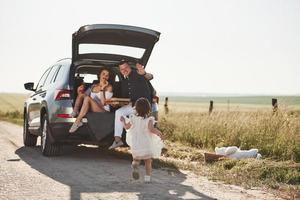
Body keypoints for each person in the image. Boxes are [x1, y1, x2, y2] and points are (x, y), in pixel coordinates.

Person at [109, 60, 154, 149]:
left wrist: (144, 73)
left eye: (126, 67)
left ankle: (142, 146)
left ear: (129, 67)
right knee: (119, 112)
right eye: (122, 69)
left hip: (143, 106)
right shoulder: (125, 82)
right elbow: (127, 99)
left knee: (137, 123)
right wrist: (117, 103)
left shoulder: (138, 73)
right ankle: (117, 140)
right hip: (133, 105)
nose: (124, 70)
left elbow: (150, 77)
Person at [120, 97, 163, 182]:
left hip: (136, 143)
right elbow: (151, 130)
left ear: (136, 108)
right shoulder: (149, 119)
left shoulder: (132, 118)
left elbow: (126, 127)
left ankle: (135, 167)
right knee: (148, 161)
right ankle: (147, 178)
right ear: (148, 108)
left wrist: (123, 121)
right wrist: (159, 133)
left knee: (136, 159)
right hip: (146, 143)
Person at [69, 68, 113, 133]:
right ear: (99, 75)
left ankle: (77, 121)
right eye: (103, 74)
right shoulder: (93, 86)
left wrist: (102, 89)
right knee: (82, 95)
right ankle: (75, 111)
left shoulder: (109, 87)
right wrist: (79, 90)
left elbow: (103, 103)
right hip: (92, 108)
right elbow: (84, 95)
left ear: (108, 77)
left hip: (103, 110)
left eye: (107, 75)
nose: (105, 76)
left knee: (87, 98)